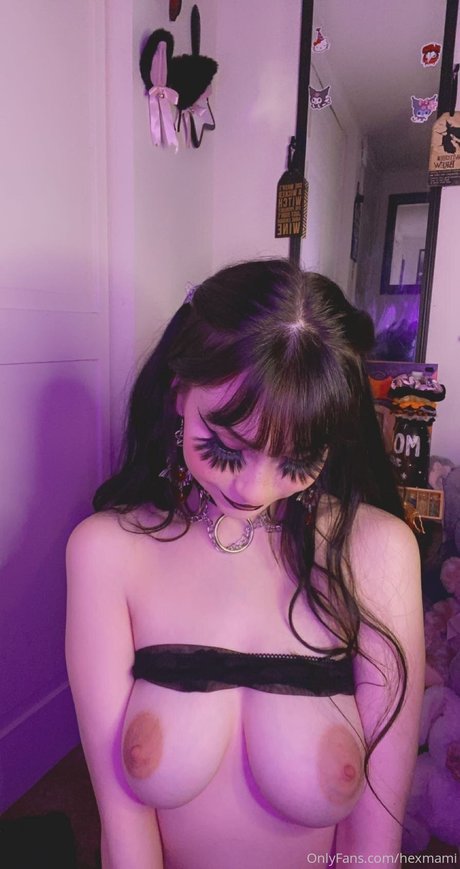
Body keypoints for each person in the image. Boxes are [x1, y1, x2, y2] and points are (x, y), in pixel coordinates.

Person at [65, 259, 424, 869]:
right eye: (226, 448)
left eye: (298, 461)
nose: (254, 489)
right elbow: (123, 831)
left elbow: (374, 843)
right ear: (179, 391)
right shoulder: (106, 553)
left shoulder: (377, 551)